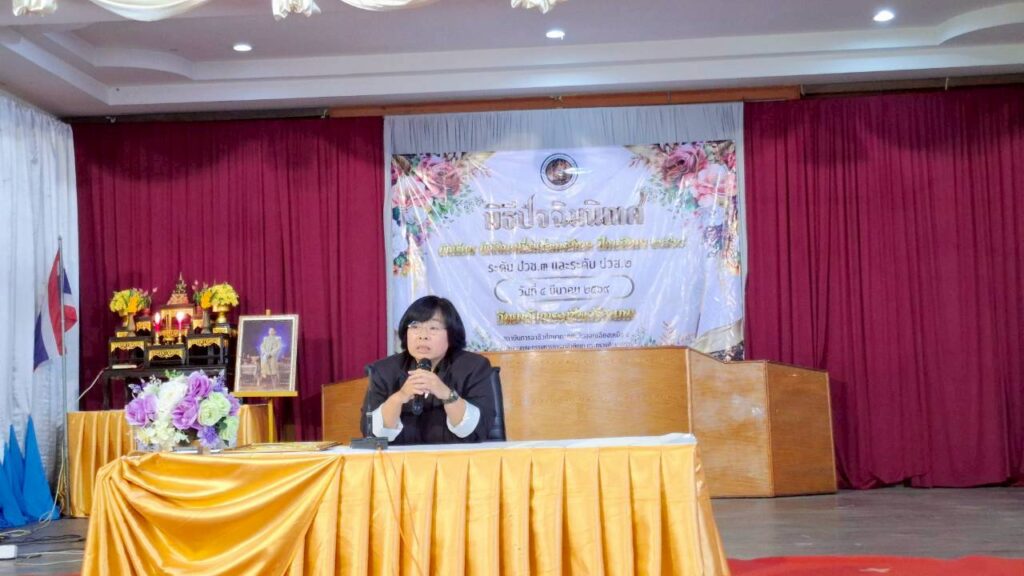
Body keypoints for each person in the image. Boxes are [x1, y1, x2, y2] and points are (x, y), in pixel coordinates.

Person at [363, 295, 496, 444]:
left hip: (456, 457)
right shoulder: (384, 371)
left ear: (451, 334)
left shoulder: (473, 367)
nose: (423, 336)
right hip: (400, 458)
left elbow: (479, 429)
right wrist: (399, 397)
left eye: (433, 328)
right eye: (415, 327)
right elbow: (372, 434)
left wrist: (445, 393)